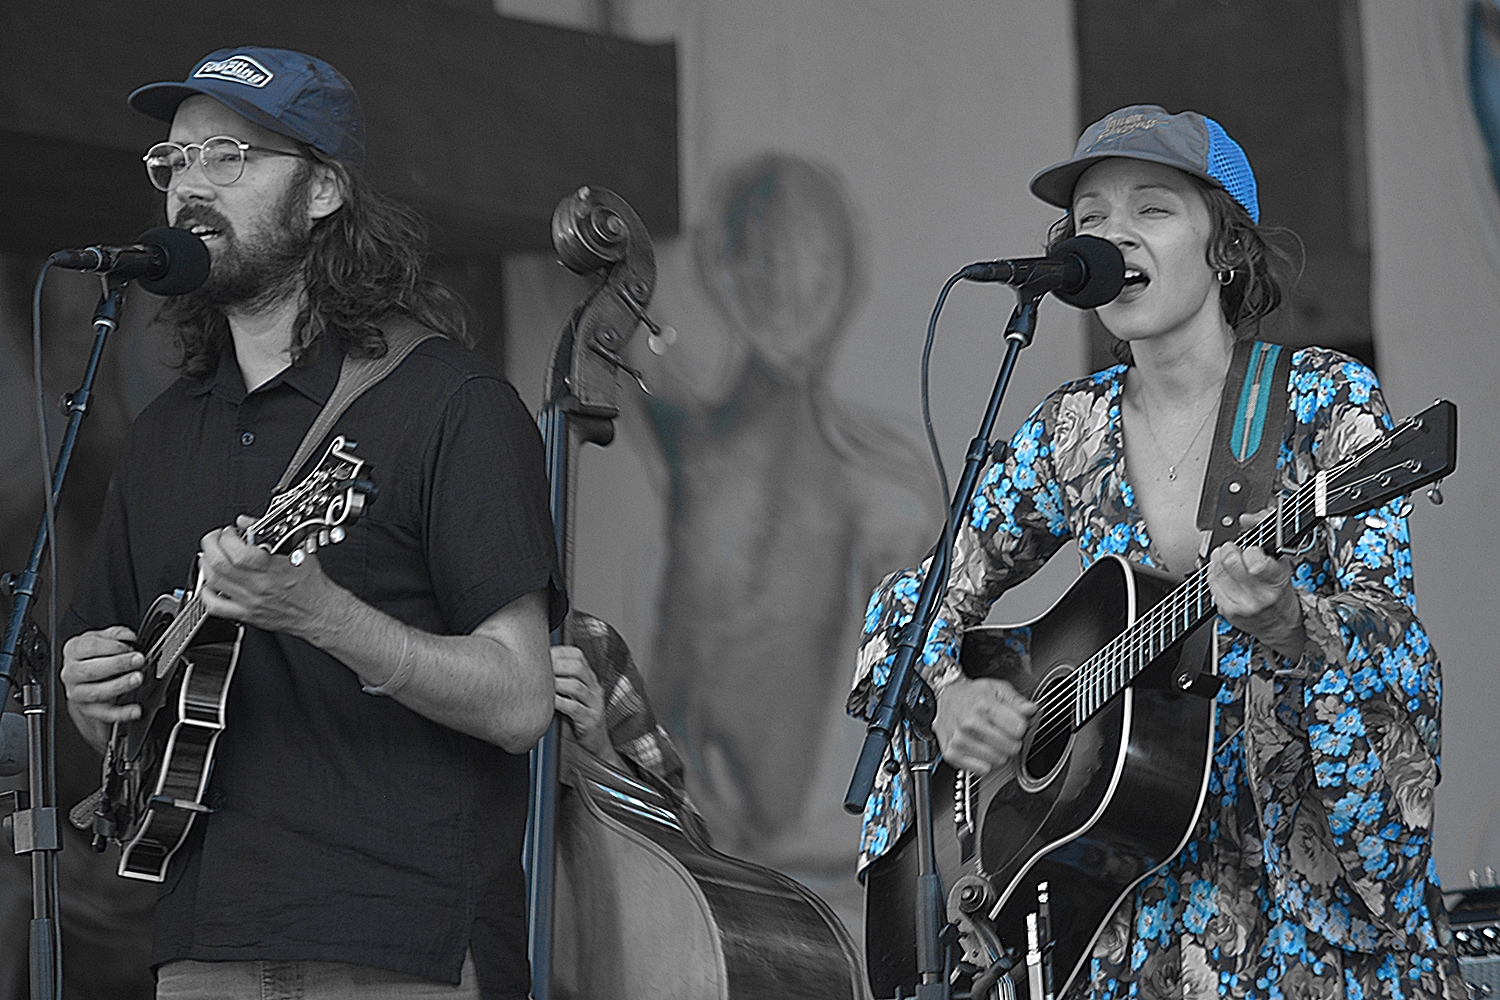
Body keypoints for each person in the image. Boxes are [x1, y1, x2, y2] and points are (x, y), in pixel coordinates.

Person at [848, 106, 1467, 998]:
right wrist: (949, 694)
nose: (1114, 235)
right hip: (1121, 913)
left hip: (1293, 901)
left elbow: (1389, 629)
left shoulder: (1324, 400)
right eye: (1091, 218)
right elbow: (918, 600)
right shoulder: (1069, 430)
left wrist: (1296, 625)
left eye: (1152, 208)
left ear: (1226, 247)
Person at [58, 47, 563, 1000]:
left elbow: (519, 701)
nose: (189, 186)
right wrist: (96, 693)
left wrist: (321, 613)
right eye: (173, 162)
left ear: (323, 190)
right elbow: (119, 712)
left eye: (228, 156)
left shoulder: (449, 402)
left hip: (401, 941)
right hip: (202, 943)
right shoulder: (162, 436)